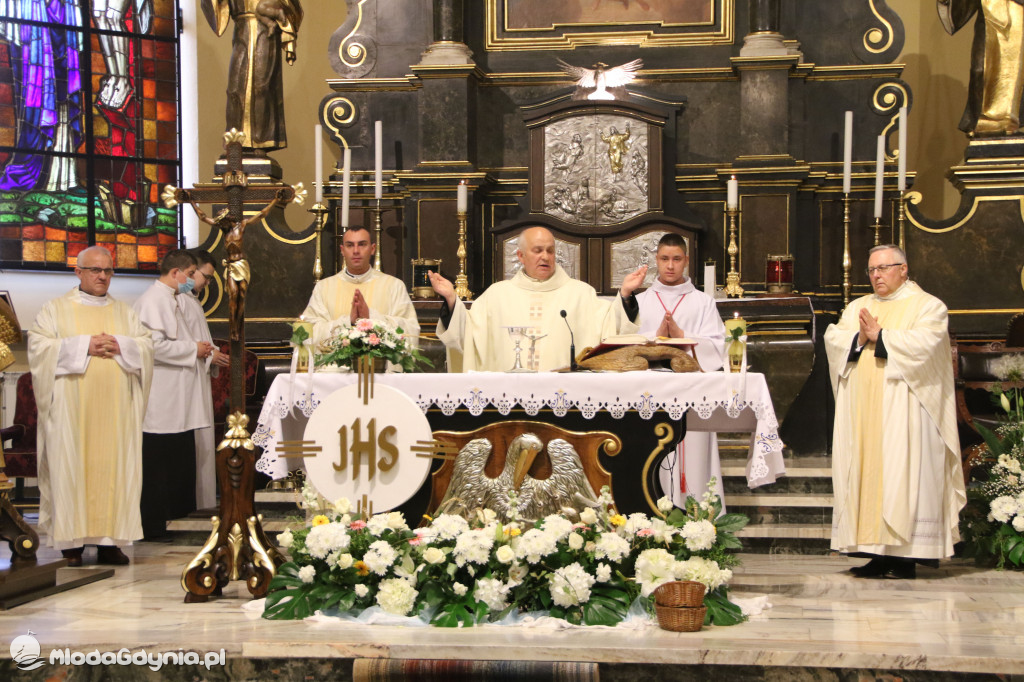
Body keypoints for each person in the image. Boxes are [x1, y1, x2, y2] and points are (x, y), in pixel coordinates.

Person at [824, 245, 965, 579]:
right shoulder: (858, 306)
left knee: (904, 475)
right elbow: (835, 339)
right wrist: (859, 338)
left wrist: (882, 336)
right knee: (867, 475)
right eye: (872, 269)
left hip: (907, 412)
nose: (877, 275)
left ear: (904, 269)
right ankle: (877, 554)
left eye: (884, 268)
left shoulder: (928, 306)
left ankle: (905, 557)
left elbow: (927, 345)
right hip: (863, 411)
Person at [28, 246, 153, 565]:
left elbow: (145, 346)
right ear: (78, 271)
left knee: (115, 469)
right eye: (95, 270)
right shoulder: (54, 310)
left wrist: (120, 344)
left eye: (108, 271)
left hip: (116, 412)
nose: (102, 276)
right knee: (70, 468)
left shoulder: (125, 312)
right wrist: (85, 345)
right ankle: (71, 544)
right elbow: (39, 348)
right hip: (71, 411)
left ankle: (111, 543)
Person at [430, 226, 646, 372]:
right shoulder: (496, 295)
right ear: (521, 256)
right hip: (508, 397)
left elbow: (612, 330)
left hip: (565, 399)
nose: (545, 256)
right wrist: (451, 299)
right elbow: (465, 335)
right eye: (538, 250)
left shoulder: (581, 294)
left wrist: (625, 294)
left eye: (550, 251)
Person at [628, 233, 726, 508]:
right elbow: (625, 347)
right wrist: (655, 340)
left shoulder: (703, 302)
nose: (670, 266)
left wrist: (683, 337)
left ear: (686, 261)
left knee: (694, 458)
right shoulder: (642, 300)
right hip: (652, 395)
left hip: (693, 394)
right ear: (656, 260)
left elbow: (717, 348)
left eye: (676, 259)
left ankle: (700, 523)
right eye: (664, 259)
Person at [133, 249, 215, 540]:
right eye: (190, 274)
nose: (192, 280)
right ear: (176, 273)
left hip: (176, 395)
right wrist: (194, 349)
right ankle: (154, 525)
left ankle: (174, 519)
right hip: (161, 395)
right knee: (158, 462)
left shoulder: (170, 299)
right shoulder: (153, 300)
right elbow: (153, 346)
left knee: (176, 456)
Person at [200, 0, 303, 150]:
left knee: (262, 87)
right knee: (236, 89)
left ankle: (260, 142)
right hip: (242, 31)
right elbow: (216, 10)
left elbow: (292, 6)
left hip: (266, 31)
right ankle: (235, 143)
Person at [300, 225, 419, 347]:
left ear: (372, 249)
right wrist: (347, 322)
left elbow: (411, 330)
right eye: (350, 245)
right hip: (335, 366)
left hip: (380, 365)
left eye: (362, 244)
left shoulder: (394, 286)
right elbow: (309, 331)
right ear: (342, 250)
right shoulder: (323, 287)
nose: (356, 251)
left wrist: (371, 317)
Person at [182, 249, 230, 509]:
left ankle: (204, 502)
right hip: (185, 382)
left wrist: (212, 355)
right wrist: (209, 355)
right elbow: (182, 342)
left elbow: (198, 339)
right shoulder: (178, 300)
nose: (207, 283)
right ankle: (198, 504)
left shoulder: (191, 300)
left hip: (197, 378)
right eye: (206, 277)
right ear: (190, 270)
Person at [938, 0, 1024, 134]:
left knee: (1014, 73)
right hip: (988, 13)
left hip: (1017, 14)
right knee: (979, 70)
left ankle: (1008, 120)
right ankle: (984, 119)